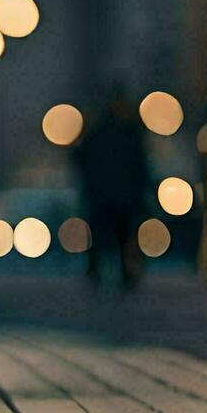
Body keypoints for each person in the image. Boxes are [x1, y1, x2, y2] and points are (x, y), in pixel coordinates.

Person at [72, 84, 150, 287]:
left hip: (104, 194)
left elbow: (79, 158)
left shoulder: (96, 131)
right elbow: (140, 163)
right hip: (118, 194)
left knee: (105, 234)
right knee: (119, 234)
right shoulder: (128, 130)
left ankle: (100, 272)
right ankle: (120, 272)